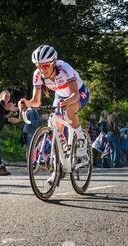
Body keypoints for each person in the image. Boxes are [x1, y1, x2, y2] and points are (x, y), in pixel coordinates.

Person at [19, 45, 90, 180]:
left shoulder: (64, 68)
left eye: (45, 66)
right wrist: (26, 102)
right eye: (38, 66)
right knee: (54, 128)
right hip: (60, 96)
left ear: (53, 63)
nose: (42, 69)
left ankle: (80, 140)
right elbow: (36, 101)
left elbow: (74, 94)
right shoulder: (38, 75)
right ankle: (59, 167)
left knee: (69, 112)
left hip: (79, 93)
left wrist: (67, 102)